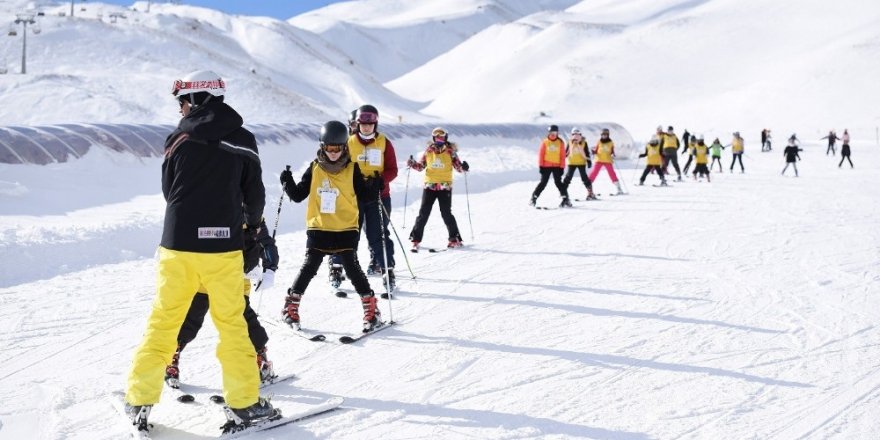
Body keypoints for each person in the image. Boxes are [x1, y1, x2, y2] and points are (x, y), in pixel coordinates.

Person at [123, 70, 274, 432]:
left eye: (182, 101)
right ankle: (244, 405)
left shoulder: (179, 137)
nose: (180, 108)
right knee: (232, 327)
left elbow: (168, 189)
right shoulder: (243, 139)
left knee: (164, 321)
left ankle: (140, 398)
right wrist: (251, 230)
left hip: (177, 245)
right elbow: (255, 197)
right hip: (223, 249)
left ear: (198, 98)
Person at [279, 120, 384, 333]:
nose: (333, 152)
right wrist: (288, 182)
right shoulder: (315, 168)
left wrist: (374, 187)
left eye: (337, 148)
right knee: (310, 266)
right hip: (320, 226)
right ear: (322, 146)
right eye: (329, 147)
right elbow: (299, 195)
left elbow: (365, 196)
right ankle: (290, 307)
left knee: (352, 267)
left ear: (345, 146)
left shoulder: (353, 169)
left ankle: (371, 310)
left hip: (345, 227)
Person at [164, 217, 280, 388]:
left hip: (235, 278)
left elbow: (264, 240)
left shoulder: (247, 211)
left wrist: (270, 267)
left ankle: (259, 356)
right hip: (205, 276)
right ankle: (172, 355)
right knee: (191, 318)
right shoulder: (207, 207)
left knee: (243, 319)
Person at [329, 105, 399, 291]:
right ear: (357, 124)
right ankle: (336, 266)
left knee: (378, 234)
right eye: (363, 124)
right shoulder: (349, 143)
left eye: (370, 124)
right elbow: (341, 167)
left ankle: (386, 268)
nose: (366, 127)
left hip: (378, 196)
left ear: (375, 124)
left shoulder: (384, 142)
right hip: (354, 196)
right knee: (348, 231)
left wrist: (380, 181)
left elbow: (393, 169)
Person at [407, 127, 468, 251]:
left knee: (446, 213)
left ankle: (454, 239)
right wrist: (412, 163)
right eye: (437, 137)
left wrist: (464, 167)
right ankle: (416, 239)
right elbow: (420, 167)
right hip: (430, 186)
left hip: (445, 187)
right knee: (423, 213)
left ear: (445, 138)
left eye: (442, 137)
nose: (439, 139)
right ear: (433, 138)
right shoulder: (428, 151)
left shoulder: (450, 152)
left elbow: (458, 167)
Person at [530, 124, 570, 207]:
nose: (553, 134)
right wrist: (541, 166)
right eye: (551, 132)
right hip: (546, 166)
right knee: (543, 182)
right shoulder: (545, 142)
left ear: (557, 133)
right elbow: (541, 154)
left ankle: (565, 199)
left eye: (555, 132)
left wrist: (562, 167)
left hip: (557, 166)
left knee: (558, 182)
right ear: (549, 133)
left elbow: (562, 156)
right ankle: (534, 198)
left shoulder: (560, 142)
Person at [562, 127, 596, 200]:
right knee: (568, 177)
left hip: (581, 163)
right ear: (572, 135)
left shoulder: (584, 143)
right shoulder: (570, 142)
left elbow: (587, 153)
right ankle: (563, 192)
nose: (576, 136)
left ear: (580, 135)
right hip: (572, 162)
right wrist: (561, 159)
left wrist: (589, 161)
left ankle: (590, 193)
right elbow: (566, 152)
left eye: (578, 134)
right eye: (574, 134)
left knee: (584, 178)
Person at [588, 128, 624, 195]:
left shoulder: (611, 142)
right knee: (594, 173)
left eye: (605, 135)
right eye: (602, 135)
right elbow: (596, 150)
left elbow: (612, 151)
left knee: (612, 173)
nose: (604, 136)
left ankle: (619, 188)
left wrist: (613, 154)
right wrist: (593, 152)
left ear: (608, 135)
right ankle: (589, 188)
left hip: (607, 160)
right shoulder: (599, 141)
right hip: (599, 159)